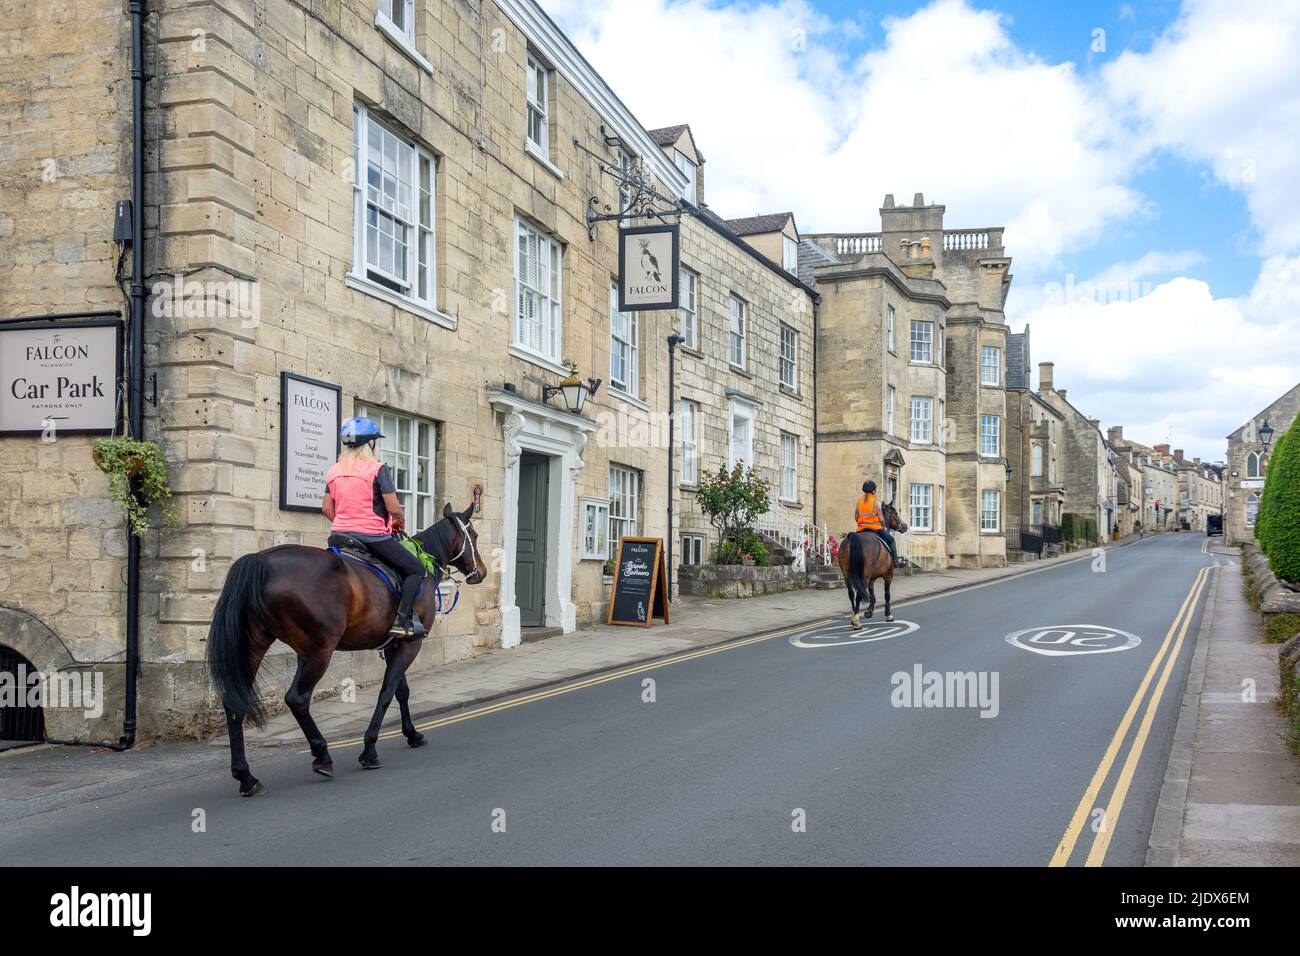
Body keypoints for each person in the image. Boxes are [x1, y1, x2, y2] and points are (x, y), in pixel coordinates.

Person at [322, 417, 428, 639]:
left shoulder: (333, 471)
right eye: (376, 443)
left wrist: (344, 521)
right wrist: (398, 521)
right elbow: (394, 508)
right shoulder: (377, 469)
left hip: (338, 537)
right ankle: (401, 621)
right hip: (372, 537)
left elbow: (326, 509)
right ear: (370, 445)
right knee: (416, 569)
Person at [854, 479, 901, 568]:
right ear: (873, 490)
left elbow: (856, 516)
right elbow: (881, 518)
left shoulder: (859, 501)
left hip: (860, 529)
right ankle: (896, 561)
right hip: (875, 528)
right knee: (891, 540)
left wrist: (861, 523)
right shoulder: (876, 501)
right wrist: (884, 527)